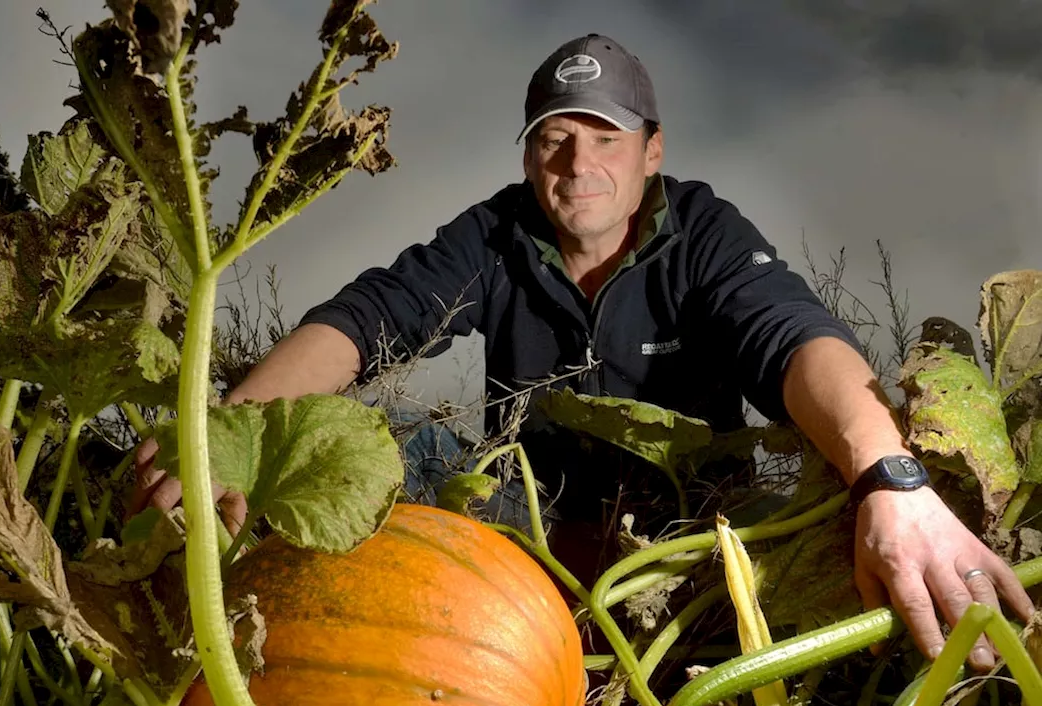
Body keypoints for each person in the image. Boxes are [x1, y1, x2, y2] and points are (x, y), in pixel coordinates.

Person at [132, 34, 1033, 672]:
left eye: (606, 139)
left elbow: (795, 338)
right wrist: (228, 431)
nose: (578, 165)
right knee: (410, 488)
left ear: (652, 153)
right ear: (529, 157)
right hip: (533, 547)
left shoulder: (706, 232)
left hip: (689, 546)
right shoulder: (491, 236)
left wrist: (891, 480)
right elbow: (368, 318)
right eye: (556, 140)